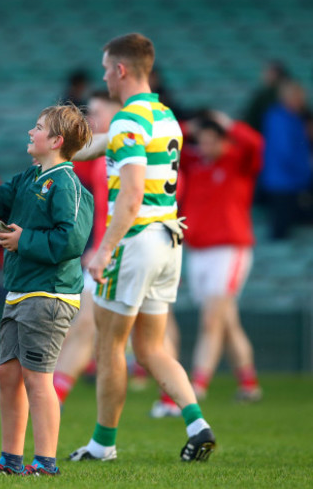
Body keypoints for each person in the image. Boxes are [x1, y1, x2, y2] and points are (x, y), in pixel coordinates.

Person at [68, 33, 215, 463]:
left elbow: (130, 195)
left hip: (136, 241)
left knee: (110, 347)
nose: (102, 76)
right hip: (169, 240)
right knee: (151, 348)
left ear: (121, 69)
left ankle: (102, 445)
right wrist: (62, 147)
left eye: (105, 67)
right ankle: (197, 424)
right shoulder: (165, 116)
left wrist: (104, 250)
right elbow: (106, 145)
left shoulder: (129, 119)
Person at [0, 103, 94, 476]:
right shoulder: (29, 177)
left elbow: (72, 240)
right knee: (8, 374)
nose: (30, 133)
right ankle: (11, 459)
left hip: (49, 294)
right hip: (20, 290)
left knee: (38, 378)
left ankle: (46, 462)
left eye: (37, 128)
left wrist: (25, 240)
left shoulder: (68, 183)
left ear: (56, 140)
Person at [180, 114, 264, 402]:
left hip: (229, 250)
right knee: (227, 321)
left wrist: (227, 123)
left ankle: (198, 384)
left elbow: (256, 143)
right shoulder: (194, 164)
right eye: (200, 141)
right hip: (199, 252)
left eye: (211, 141)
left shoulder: (237, 161)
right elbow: (167, 143)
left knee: (211, 319)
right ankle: (249, 383)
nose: (205, 147)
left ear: (224, 140)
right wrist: (188, 126)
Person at [53, 91, 118, 408]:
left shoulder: (131, 151)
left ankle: (53, 395)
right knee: (84, 324)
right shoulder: (101, 155)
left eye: (96, 113)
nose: (90, 120)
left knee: (86, 325)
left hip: (119, 252)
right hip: (106, 251)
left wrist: (105, 246)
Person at [260, 79, 312, 239]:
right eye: (299, 98)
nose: (302, 102)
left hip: (290, 180)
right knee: (280, 229)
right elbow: (286, 152)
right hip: (283, 181)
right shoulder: (280, 119)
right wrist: (307, 170)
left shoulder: (293, 117)